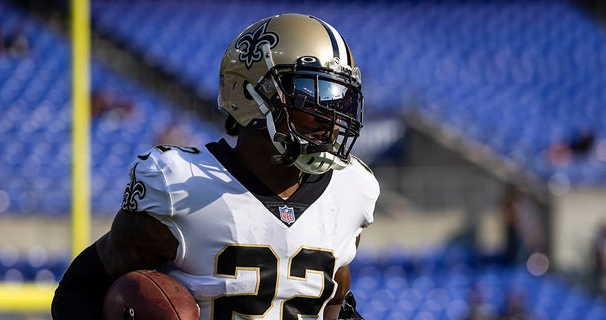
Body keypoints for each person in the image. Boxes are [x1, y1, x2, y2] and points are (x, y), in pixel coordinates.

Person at [52, 13, 379, 320]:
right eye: (313, 94)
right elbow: (78, 291)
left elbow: (335, 301)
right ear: (253, 93)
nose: (333, 119)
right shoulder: (180, 184)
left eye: (342, 99)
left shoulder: (351, 190)